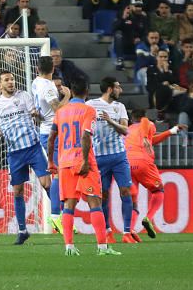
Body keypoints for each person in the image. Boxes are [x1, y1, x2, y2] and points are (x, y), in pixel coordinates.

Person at [47, 76, 119, 257]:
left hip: (64, 162)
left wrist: (50, 161)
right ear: (86, 91)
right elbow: (86, 136)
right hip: (83, 162)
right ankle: (102, 247)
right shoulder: (88, 110)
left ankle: (69, 247)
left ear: (71, 91)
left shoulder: (60, 112)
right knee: (95, 202)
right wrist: (86, 161)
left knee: (69, 205)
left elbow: (51, 138)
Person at [0, 71, 52, 244]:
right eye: (6, 80)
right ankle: (23, 231)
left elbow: (36, 114)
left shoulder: (24, 96)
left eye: (12, 79)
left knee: (47, 184)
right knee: (18, 191)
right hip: (15, 153)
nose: (10, 82)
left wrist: (37, 114)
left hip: (33, 147)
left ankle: (61, 216)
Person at [124, 108, 185, 242]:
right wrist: (147, 135)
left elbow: (152, 140)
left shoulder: (127, 130)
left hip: (127, 164)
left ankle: (128, 232)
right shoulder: (148, 124)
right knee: (158, 190)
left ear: (131, 119)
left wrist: (170, 132)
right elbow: (146, 127)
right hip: (143, 162)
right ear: (144, 116)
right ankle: (149, 217)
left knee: (133, 201)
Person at [86, 77, 131, 242]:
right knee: (103, 195)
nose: (121, 90)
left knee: (126, 191)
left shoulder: (120, 107)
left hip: (119, 156)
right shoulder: (91, 105)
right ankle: (107, 231)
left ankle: (127, 232)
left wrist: (110, 121)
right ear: (110, 89)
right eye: (118, 87)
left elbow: (125, 130)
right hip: (99, 157)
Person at [32, 56, 71, 231]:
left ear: (37, 68)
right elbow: (58, 109)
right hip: (52, 133)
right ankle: (56, 215)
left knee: (57, 174)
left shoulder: (35, 82)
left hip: (44, 131)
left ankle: (59, 214)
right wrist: (68, 96)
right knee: (58, 174)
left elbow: (38, 110)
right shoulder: (47, 87)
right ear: (53, 69)